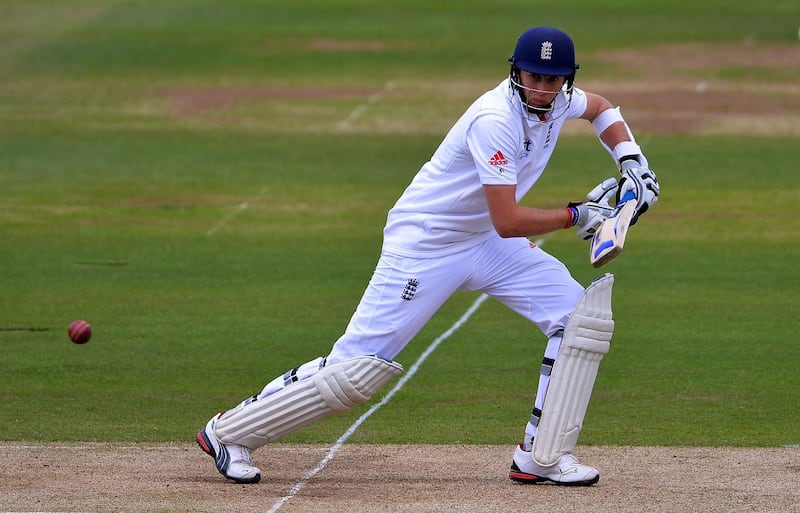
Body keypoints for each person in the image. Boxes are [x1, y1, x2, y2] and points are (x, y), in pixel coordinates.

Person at [196, 26, 659, 486]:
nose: (541, 89)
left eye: (552, 79)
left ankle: (542, 456)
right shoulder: (494, 119)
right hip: (427, 244)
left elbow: (602, 109)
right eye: (532, 76)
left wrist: (632, 162)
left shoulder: (561, 100)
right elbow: (508, 220)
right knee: (357, 369)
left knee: (580, 320)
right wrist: (578, 215)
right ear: (516, 71)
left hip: (485, 242)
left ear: (566, 80)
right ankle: (228, 431)